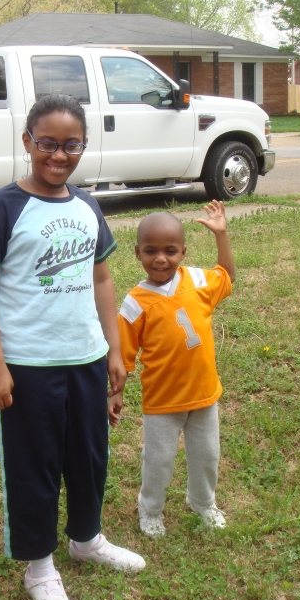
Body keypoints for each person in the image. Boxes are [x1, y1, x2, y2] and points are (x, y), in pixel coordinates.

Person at [0, 94, 145, 600]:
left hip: (85, 358)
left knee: (89, 457)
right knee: (34, 466)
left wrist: (113, 350)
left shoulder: (87, 206)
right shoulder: (3, 207)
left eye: (71, 145)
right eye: (47, 144)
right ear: (28, 142)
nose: (59, 155)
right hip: (28, 365)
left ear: (84, 146)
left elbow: (102, 278)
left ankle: (86, 538)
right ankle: (39, 568)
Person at [109, 206, 234, 537]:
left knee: (207, 455)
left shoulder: (197, 280)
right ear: (137, 253)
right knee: (159, 460)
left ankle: (203, 502)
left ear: (183, 252)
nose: (161, 259)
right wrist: (116, 392)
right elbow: (123, 355)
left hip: (204, 395)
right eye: (151, 251)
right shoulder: (135, 303)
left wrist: (221, 234)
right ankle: (150, 508)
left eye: (170, 250)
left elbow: (227, 275)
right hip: (163, 402)